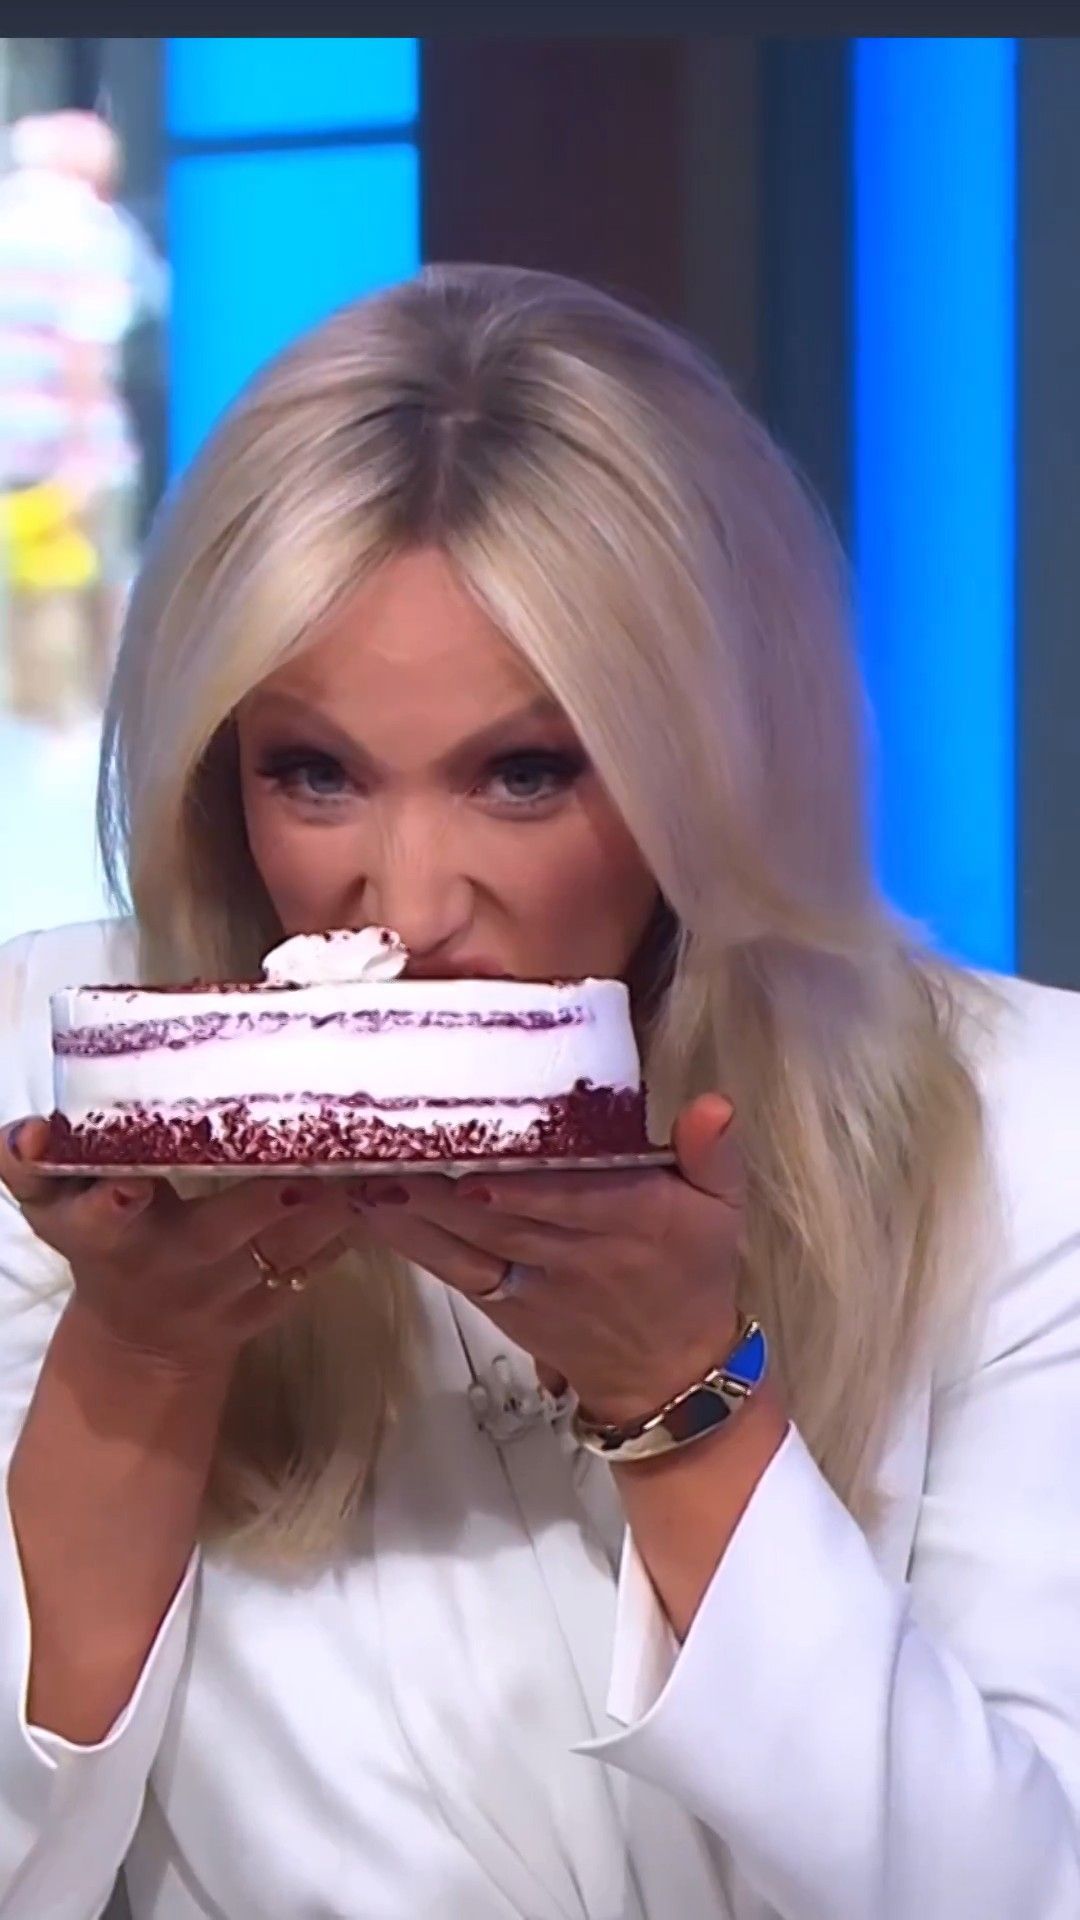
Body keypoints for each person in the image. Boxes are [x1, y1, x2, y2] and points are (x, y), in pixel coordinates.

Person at [0, 263, 1077, 1920]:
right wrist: (136, 1361)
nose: (409, 901)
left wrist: (681, 1396)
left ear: (711, 759)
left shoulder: (1025, 1123)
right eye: (315, 774)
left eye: (522, 773)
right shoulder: (63, 1072)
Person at [0, 109, 162, 728]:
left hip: (11, 451)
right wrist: (81, 458)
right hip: (76, 450)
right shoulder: (90, 229)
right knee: (97, 595)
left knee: (23, 605)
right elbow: (83, 351)